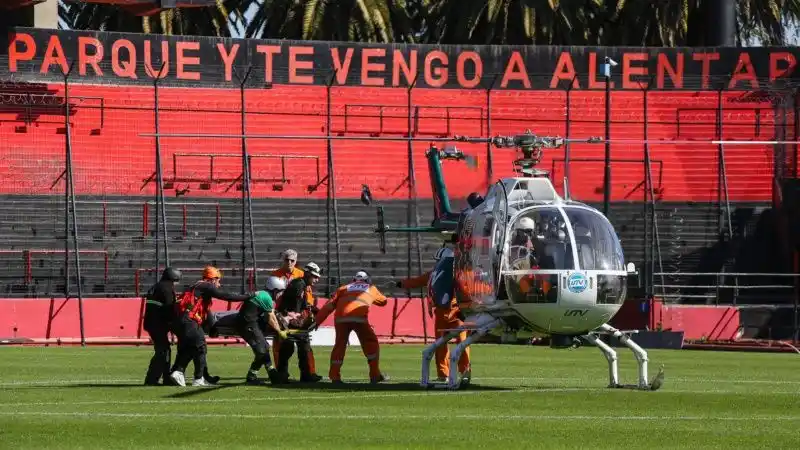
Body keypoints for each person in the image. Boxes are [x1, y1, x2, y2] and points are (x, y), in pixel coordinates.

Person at [395, 247, 470, 382]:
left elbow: (417, 281)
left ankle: (452, 373)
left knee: (445, 344)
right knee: (457, 343)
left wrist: (401, 284)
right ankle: (453, 373)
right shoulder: (446, 273)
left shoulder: (439, 274)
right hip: (452, 312)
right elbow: (417, 281)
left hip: (451, 312)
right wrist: (402, 283)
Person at [169, 266, 251, 387]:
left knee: (188, 349)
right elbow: (226, 296)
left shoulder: (197, 286)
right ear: (212, 279)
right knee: (200, 347)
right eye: (218, 280)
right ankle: (197, 379)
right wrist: (248, 296)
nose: (219, 283)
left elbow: (207, 311)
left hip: (179, 321)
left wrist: (213, 327)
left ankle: (178, 372)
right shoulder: (207, 286)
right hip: (189, 321)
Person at [315, 271, 389, 384]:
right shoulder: (370, 287)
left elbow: (329, 306)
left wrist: (317, 322)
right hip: (359, 317)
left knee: (339, 345)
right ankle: (375, 375)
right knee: (371, 343)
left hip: (340, 318)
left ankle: (334, 376)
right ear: (367, 280)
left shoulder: (343, 288)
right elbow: (384, 301)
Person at [270, 249, 317, 377]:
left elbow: (308, 296)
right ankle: (282, 372)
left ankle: (309, 372)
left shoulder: (301, 275)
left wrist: (308, 311)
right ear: (283, 260)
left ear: (296, 261)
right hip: (280, 312)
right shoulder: (275, 274)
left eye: (292, 260)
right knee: (281, 345)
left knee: (304, 345)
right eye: (287, 260)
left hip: (298, 313)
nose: (289, 263)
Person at [275, 262, 323, 383]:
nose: (317, 279)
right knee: (289, 349)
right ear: (307, 274)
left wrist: (313, 309)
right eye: (315, 276)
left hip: (294, 322)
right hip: (290, 322)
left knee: (303, 348)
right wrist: (293, 315)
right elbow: (292, 306)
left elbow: (302, 304)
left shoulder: (301, 284)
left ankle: (303, 375)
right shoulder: (298, 285)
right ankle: (283, 375)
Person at [236, 276, 289, 385]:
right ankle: (254, 376)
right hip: (248, 324)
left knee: (264, 347)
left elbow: (272, 314)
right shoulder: (267, 298)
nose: (280, 295)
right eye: (280, 292)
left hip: (248, 323)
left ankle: (270, 373)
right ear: (275, 290)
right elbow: (271, 318)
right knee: (261, 350)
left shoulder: (264, 295)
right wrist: (279, 331)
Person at [143, 267, 182, 386]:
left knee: (164, 350)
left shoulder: (157, 286)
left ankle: (165, 378)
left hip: (152, 323)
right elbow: (170, 309)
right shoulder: (167, 288)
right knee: (163, 351)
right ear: (174, 278)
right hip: (158, 324)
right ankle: (152, 379)